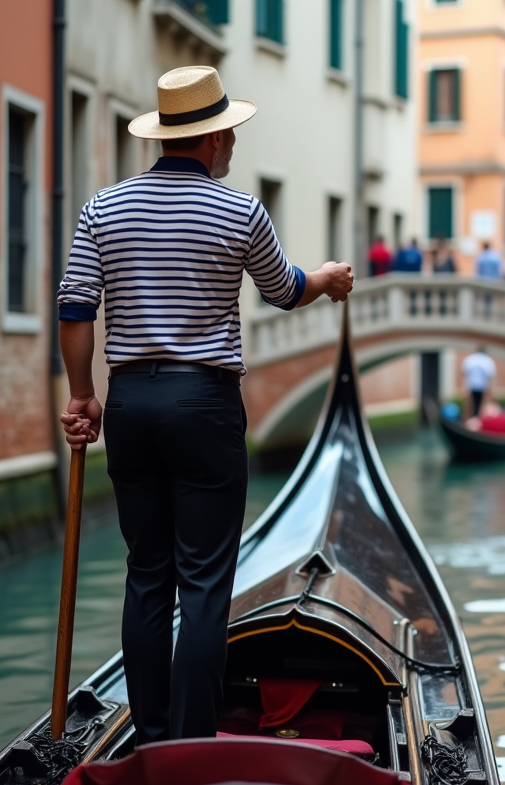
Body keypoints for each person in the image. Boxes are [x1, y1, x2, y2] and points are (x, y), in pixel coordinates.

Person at [56, 66, 354, 746]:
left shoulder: (102, 207)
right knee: (204, 585)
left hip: (131, 400)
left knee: (146, 575)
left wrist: (82, 393)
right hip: (204, 406)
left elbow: (75, 306)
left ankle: (153, 736)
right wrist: (328, 278)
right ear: (215, 137)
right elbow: (282, 290)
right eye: (232, 134)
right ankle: (191, 744)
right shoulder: (240, 209)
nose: (234, 145)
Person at [460, 346, 496, 418]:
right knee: (482, 406)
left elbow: (464, 372)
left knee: (469, 405)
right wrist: (490, 390)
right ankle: (478, 421)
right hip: (482, 386)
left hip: (471, 385)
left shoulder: (470, 359)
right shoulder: (488, 360)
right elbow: (490, 376)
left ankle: (465, 421)